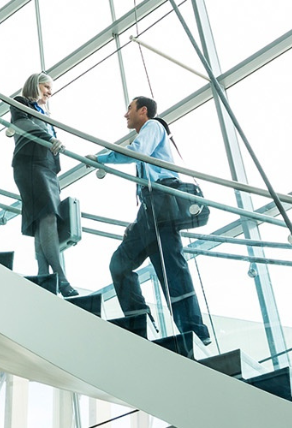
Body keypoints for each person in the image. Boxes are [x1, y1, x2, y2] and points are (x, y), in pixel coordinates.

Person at [86, 96, 211, 345]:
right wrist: (137, 223)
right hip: (149, 213)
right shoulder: (148, 133)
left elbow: (138, 152)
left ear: (144, 111)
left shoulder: (153, 126)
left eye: (129, 109)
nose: (126, 114)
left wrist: (101, 158)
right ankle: (138, 322)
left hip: (162, 209)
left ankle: (195, 332)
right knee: (120, 265)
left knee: (173, 271)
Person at [11, 72, 77, 297]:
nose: (50, 92)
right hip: (30, 165)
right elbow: (23, 125)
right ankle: (61, 278)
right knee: (48, 216)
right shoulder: (21, 103)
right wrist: (50, 140)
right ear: (34, 85)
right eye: (46, 87)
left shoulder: (45, 113)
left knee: (43, 221)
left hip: (47, 168)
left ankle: (43, 275)